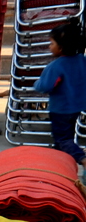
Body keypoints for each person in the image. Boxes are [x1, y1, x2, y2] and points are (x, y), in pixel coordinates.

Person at [33, 19, 86, 176]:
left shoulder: (56, 66)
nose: (50, 46)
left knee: (62, 139)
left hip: (60, 109)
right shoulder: (82, 61)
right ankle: (60, 167)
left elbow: (45, 86)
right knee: (64, 138)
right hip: (77, 106)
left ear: (61, 47)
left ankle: (83, 159)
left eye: (51, 43)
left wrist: (36, 83)